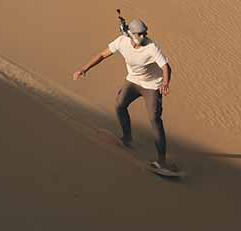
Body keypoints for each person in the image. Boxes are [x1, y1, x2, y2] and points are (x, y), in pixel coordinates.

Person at [73, 18, 174, 172]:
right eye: (139, 34)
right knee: (120, 105)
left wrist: (165, 83)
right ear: (131, 34)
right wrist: (84, 69)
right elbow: (102, 54)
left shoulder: (152, 47)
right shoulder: (122, 41)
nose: (143, 37)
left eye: (145, 33)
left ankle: (162, 161)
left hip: (152, 86)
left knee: (154, 118)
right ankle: (127, 138)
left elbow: (166, 67)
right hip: (133, 81)